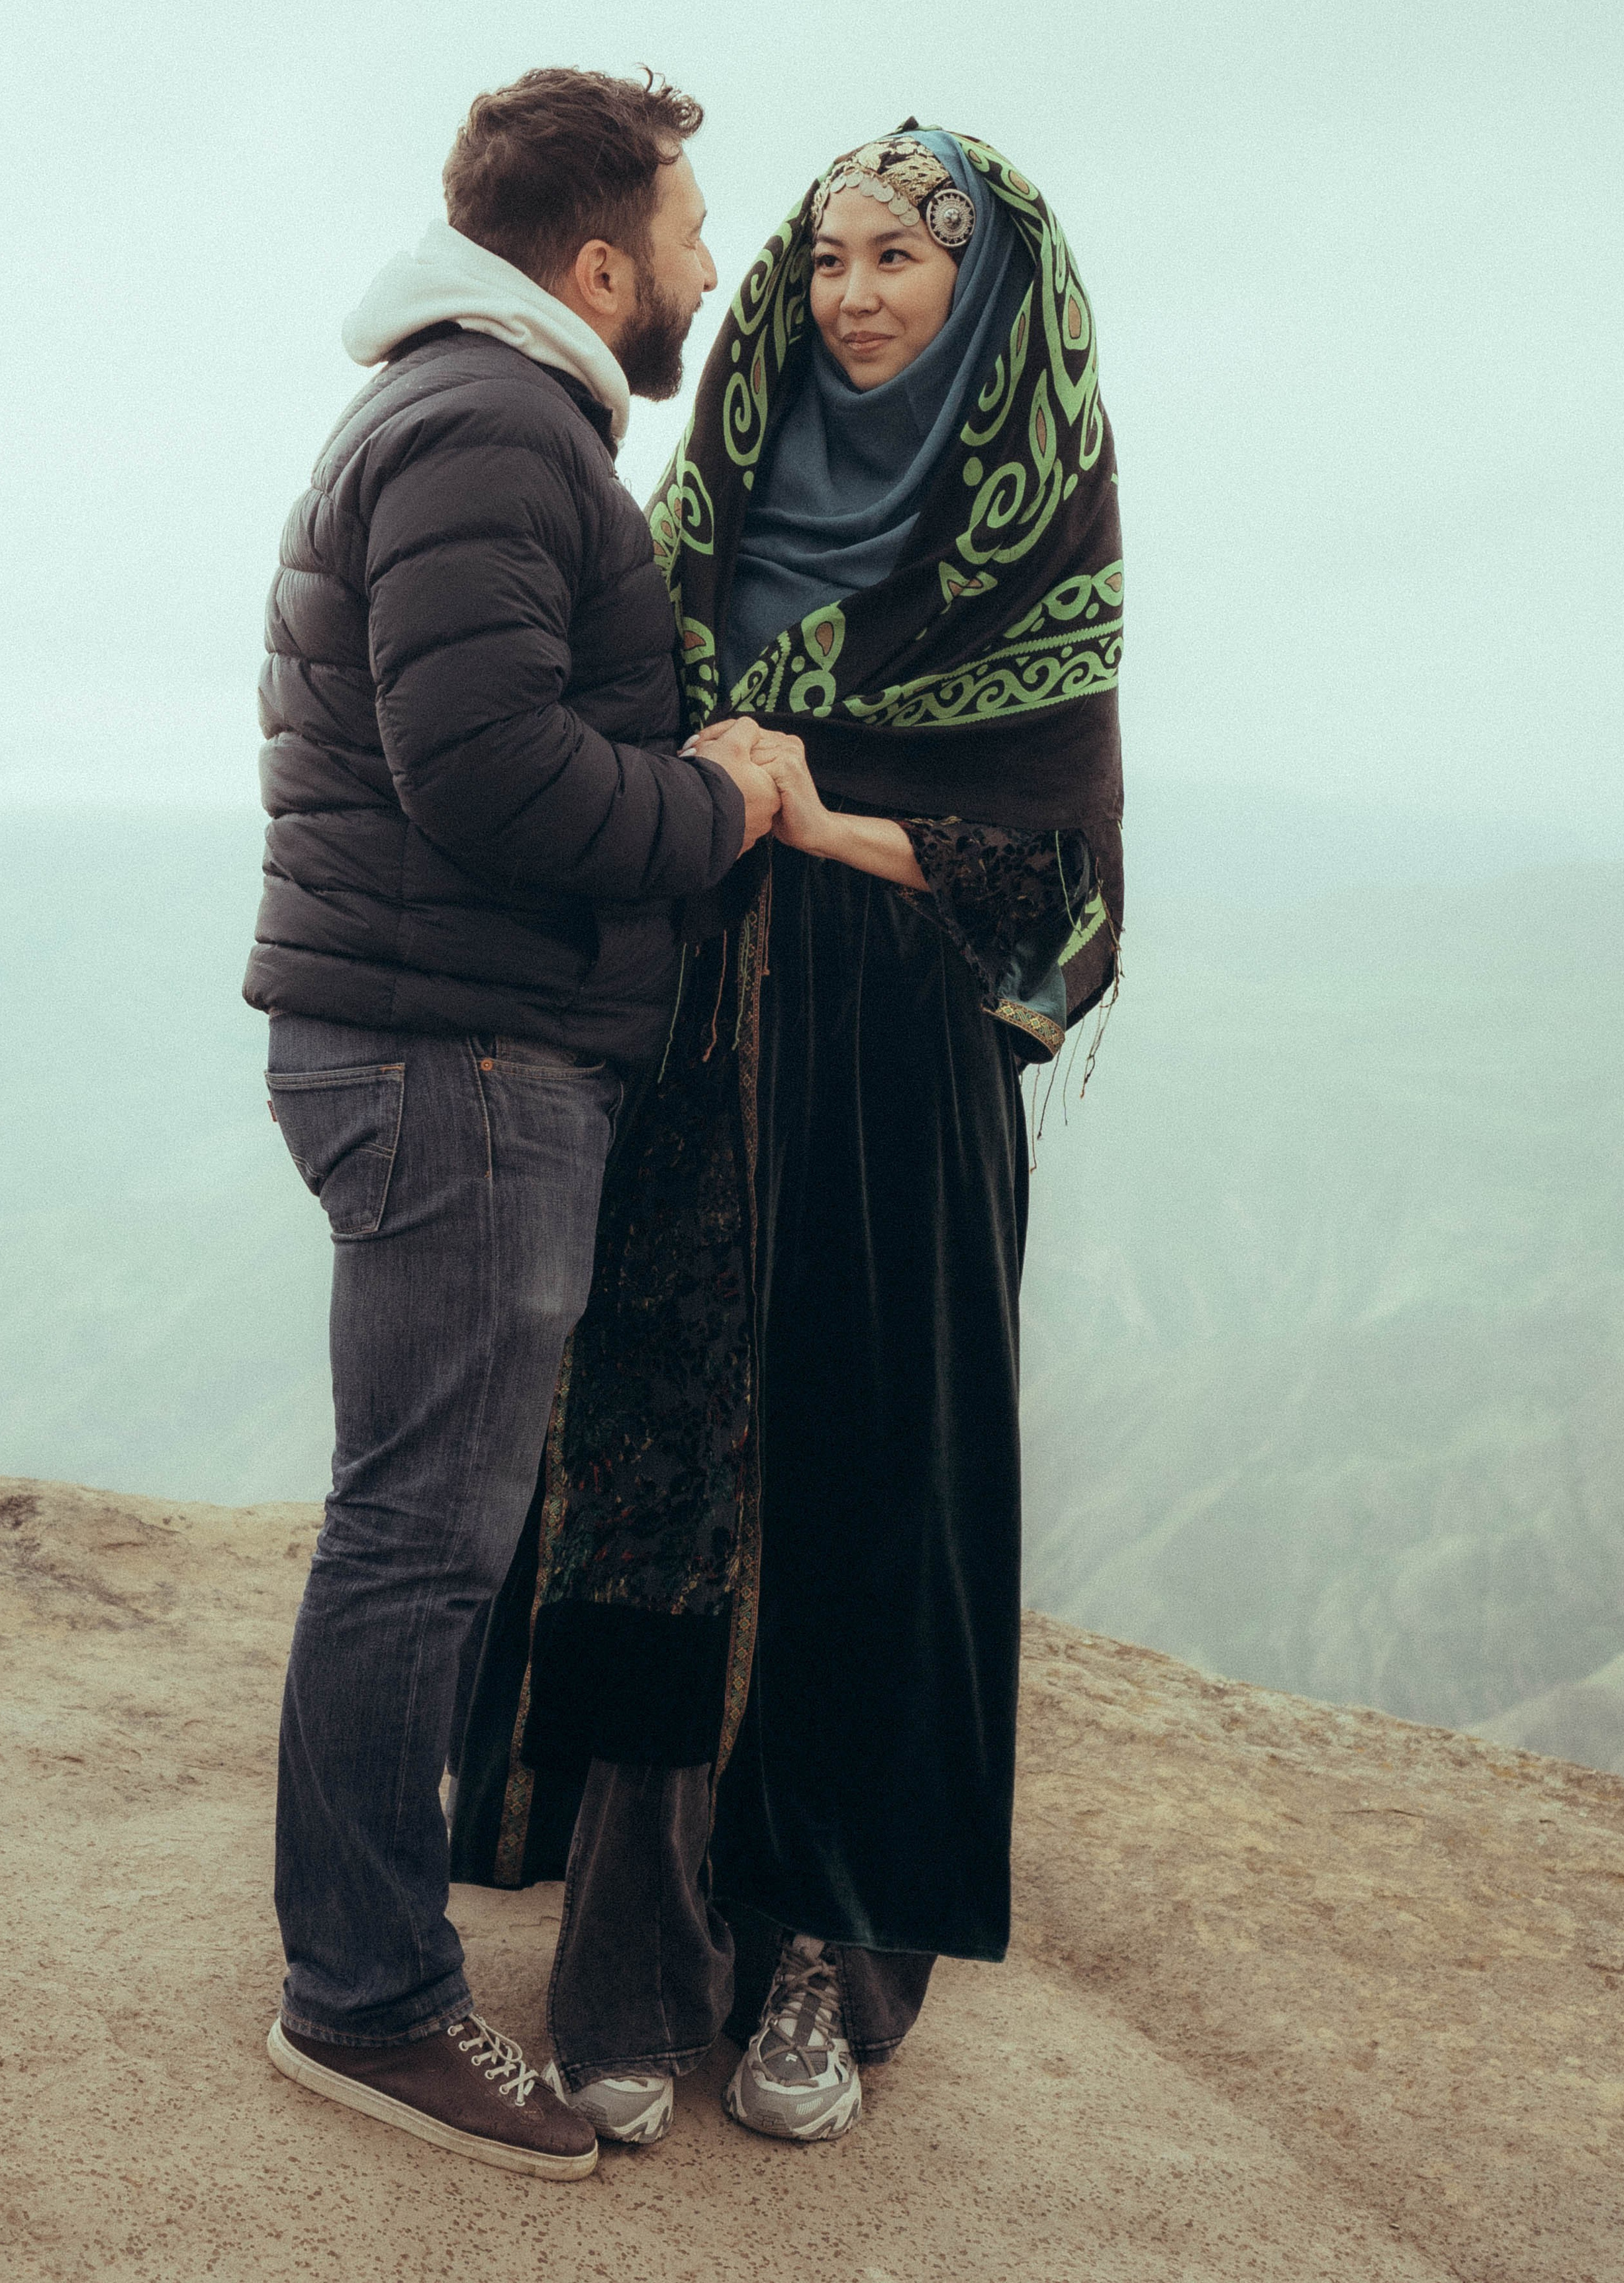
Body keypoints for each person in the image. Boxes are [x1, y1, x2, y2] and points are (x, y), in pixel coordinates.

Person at [452, 126, 1124, 2146]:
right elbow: (596, 729)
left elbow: (1062, 876)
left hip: (895, 1094)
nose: (851, 294)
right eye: (827, 256)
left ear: (984, 296)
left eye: (902, 258)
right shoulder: (713, 501)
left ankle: (825, 1955)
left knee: (860, 1492)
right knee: (655, 1483)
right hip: (683, 1061)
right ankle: (631, 1955)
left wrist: (824, 817)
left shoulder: (1030, 535)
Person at [244, 66, 780, 2180]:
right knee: (417, 1540)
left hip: (439, 1050)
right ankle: (369, 2002)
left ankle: (359, 1964)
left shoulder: (476, 412)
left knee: (409, 1527)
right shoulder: (490, 426)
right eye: (693, 235)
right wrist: (713, 804)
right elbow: (480, 771)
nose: (714, 271)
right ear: (603, 265)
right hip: (457, 1065)